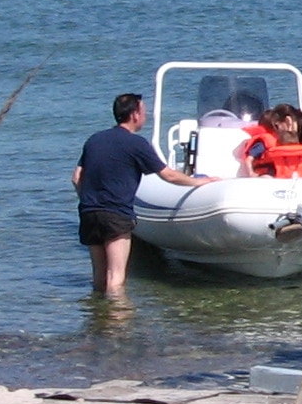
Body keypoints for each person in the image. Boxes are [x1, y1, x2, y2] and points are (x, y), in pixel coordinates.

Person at [73, 91, 214, 295]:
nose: (145, 116)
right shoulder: (136, 144)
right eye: (144, 111)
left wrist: (88, 201)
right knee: (116, 277)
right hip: (115, 214)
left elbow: (77, 178)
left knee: (99, 276)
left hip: (89, 212)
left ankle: (97, 321)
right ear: (135, 115)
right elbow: (169, 176)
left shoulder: (94, 140)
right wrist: (199, 182)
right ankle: (116, 325)